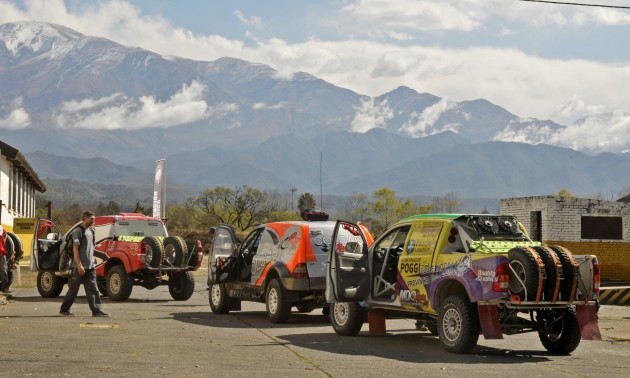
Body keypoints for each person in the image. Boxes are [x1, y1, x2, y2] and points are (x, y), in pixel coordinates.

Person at [60, 211, 109, 317]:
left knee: (93, 288)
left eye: (94, 218)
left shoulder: (92, 230)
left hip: (90, 266)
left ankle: (96, 311)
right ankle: (64, 310)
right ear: (85, 218)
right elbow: (75, 249)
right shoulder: (78, 231)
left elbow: (92, 247)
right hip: (79, 267)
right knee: (73, 289)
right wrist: (79, 265)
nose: (93, 220)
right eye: (92, 218)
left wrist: (93, 260)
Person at [0, 225, 9, 294]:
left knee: (4, 270)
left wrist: (4, 241)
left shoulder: (1, 227)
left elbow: (6, 234)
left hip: (1, 253)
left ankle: (4, 287)